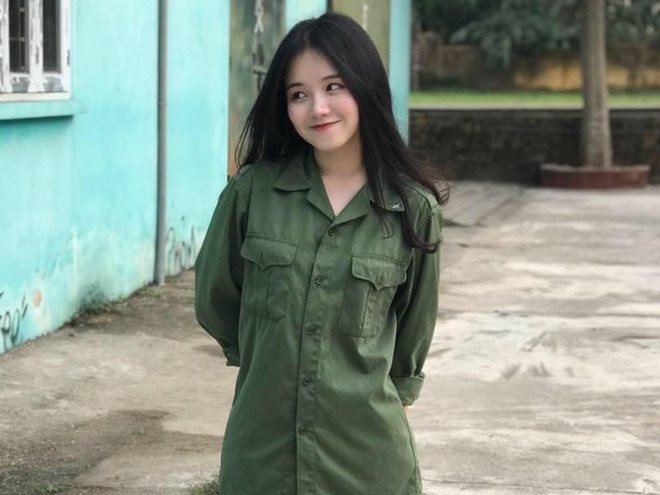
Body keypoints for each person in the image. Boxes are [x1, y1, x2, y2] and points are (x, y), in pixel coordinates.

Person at [195, 12, 447, 495]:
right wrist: (268, 359)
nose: (318, 107)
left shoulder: (412, 209)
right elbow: (216, 297)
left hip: (366, 459)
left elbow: (413, 332)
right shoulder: (252, 193)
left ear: (365, 87)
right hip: (263, 455)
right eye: (298, 94)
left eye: (334, 86)